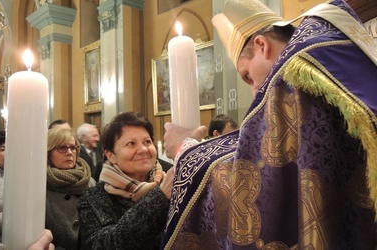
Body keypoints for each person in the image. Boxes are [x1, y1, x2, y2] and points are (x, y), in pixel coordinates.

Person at [161, 0, 377, 249]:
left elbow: (256, 175)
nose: (255, 91)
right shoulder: (332, 50)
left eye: (247, 76)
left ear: (261, 45)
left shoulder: (294, 72)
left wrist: (184, 149)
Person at [77, 111, 174, 249]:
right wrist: (159, 198)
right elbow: (106, 245)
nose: (143, 149)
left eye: (147, 142)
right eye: (131, 143)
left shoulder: (171, 185)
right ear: (111, 155)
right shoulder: (94, 198)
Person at [46, 128, 95, 249]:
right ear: (48, 152)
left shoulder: (89, 181)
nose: (69, 152)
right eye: (62, 148)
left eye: (73, 147)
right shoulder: (41, 184)